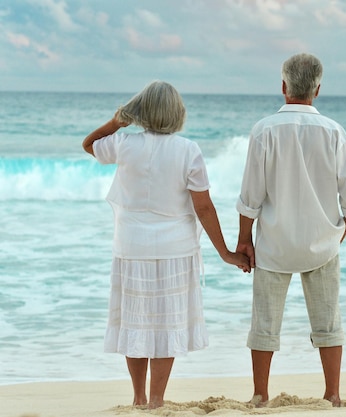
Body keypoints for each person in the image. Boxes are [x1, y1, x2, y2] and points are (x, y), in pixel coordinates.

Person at [82, 81, 250, 409]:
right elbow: (204, 207)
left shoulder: (124, 145)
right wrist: (226, 253)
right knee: (165, 325)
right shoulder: (188, 150)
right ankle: (156, 400)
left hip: (131, 248)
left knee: (135, 321)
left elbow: (90, 144)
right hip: (175, 249)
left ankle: (138, 397)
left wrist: (116, 121)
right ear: (178, 113)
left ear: (141, 113)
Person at [236, 53, 346, 407]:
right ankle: (333, 394)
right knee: (328, 319)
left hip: (274, 243)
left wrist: (244, 241)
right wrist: (340, 230)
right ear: (318, 90)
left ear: (283, 86)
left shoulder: (264, 130)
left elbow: (251, 196)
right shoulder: (334, 131)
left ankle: (261, 395)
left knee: (264, 322)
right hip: (322, 243)